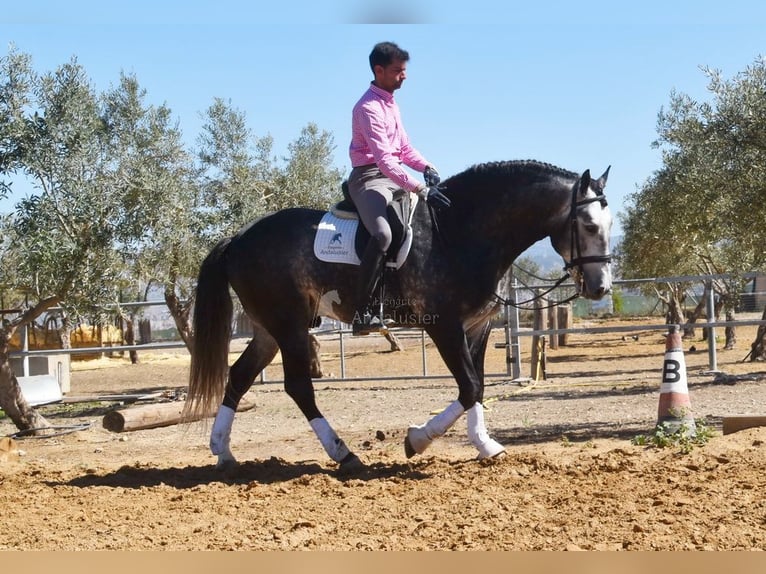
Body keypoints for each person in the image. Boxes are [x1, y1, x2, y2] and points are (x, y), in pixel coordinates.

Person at [348, 41, 451, 336]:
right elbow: (383, 160)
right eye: (397, 71)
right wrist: (420, 187)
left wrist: (427, 167)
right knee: (382, 234)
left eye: (405, 71)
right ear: (379, 71)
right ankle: (363, 311)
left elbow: (404, 148)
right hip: (369, 178)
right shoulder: (367, 108)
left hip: (395, 178)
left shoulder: (391, 104)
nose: (404, 76)